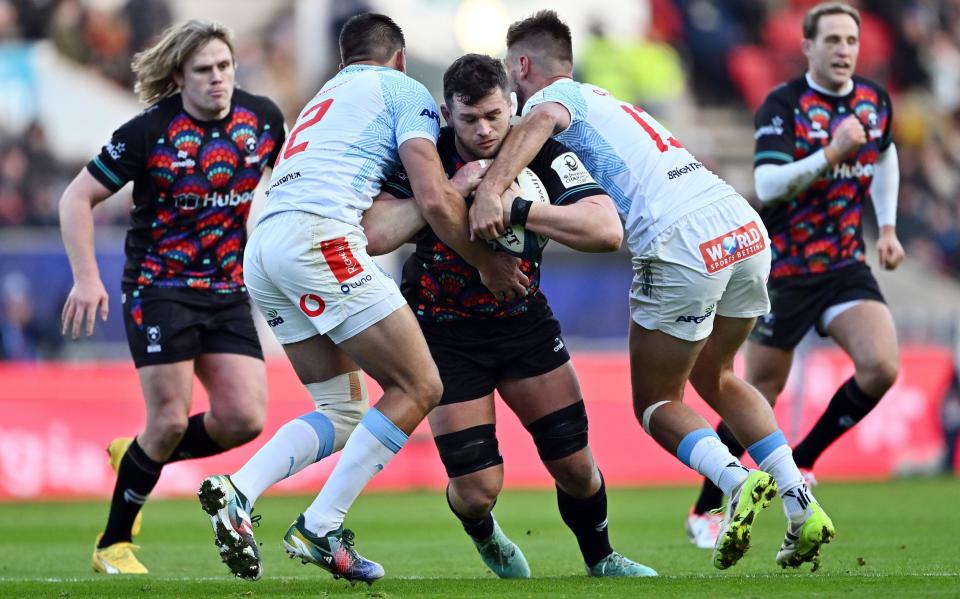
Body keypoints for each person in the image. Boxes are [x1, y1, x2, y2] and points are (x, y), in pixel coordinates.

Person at [471, 10, 835, 572]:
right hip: (738, 223)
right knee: (719, 377)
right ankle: (801, 504)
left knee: (657, 402)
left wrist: (492, 189)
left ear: (523, 65)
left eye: (509, 74)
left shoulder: (557, 98)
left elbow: (541, 115)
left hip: (681, 239)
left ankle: (735, 481)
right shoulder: (611, 102)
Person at [196, 13, 527, 584]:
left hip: (265, 248)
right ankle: (321, 525)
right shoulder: (404, 91)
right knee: (421, 384)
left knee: (343, 409)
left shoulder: (325, 96)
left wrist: (462, 182)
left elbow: (399, 215)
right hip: (320, 239)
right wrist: (487, 264)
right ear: (399, 57)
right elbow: (434, 197)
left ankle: (239, 491)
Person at [362, 53, 655, 578]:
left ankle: (602, 558)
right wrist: (457, 188)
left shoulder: (542, 155)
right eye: (470, 119)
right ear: (447, 114)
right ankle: (483, 533)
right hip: (442, 333)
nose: (484, 130)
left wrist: (516, 207)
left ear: (513, 107)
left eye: (495, 116)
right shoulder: (422, 155)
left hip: (522, 322)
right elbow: (376, 233)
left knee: (575, 467)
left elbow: (607, 232)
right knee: (477, 492)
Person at [58, 20, 285, 575]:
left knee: (245, 418)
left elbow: (286, 189)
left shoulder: (264, 120)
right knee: (167, 420)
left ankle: (133, 457)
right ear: (180, 75)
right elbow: (76, 197)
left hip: (228, 289)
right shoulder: (147, 132)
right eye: (204, 70)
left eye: (225, 66)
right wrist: (87, 278)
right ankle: (112, 545)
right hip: (160, 288)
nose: (218, 79)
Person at [686, 1, 903, 550]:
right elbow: (770, 183)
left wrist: (891, 227)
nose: (843, 50)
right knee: (759, 388)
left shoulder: (874, 101)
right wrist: (831, 153)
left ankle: (802, 462)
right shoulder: (784, 106)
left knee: (881, 366)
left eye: (850, 41)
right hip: (783, 268)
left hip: (845, 264)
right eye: (831, 40)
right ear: (808, 47)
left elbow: (886, 155)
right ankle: (706, 506)